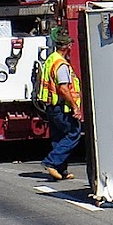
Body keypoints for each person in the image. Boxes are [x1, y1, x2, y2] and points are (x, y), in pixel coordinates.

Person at [39, 28, 83, 181]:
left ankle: (61, 171)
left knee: (58, 138)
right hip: (60, 107)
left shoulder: (51, 59)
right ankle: (51, 162)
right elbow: (63, 89)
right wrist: (75, 107)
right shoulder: (61, 65)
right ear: (67, 47)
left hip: (51, 106)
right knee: (74, 133)